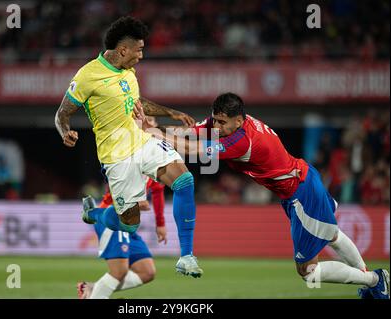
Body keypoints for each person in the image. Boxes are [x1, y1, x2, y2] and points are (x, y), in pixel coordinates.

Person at [152, 92, 389, 299]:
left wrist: (154, 133)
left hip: (301, 194)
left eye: (222, 123)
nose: (217, 127)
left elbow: (194, 149)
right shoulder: (233, 124)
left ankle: (374, 281)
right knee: (333, 235)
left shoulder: (243, 141)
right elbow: (192, 132)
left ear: (239, 120)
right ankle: (374, 282)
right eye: (215, 120)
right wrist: (155, 128)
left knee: (308, 272)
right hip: (303, 179)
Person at [55, 16, 202, 277]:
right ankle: (95, 214)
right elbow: (62, 113)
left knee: (184, 181)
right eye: (139, 49)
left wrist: (171, 112)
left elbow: (138, 102)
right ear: (123, 50)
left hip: (141, 141)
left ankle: (187, 257)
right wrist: (65, 132)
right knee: (130, 224)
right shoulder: (88, 75)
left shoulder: (128, 71)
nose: (141, 56)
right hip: (115, 155)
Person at [77, 175, 166, 299]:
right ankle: (96, 294)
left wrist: (160, 223)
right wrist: (135, 203)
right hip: (111, 219)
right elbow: (116, 188)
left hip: (127, 223)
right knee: (119, 272)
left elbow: (158, 191)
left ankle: (95, 288)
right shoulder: (127, 163)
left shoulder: (153, 170)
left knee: (147, 272)